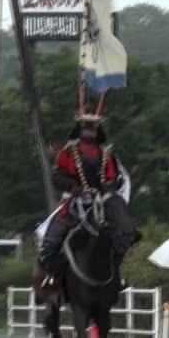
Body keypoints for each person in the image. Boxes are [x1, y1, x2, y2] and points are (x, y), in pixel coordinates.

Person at [39, 112, 136, 287]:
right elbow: (56, 175)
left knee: (123, 234)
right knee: (51, 241)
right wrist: (72, 186)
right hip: (74, 201)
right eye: (86, 129)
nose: (90, 133)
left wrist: (108, 186)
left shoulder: (107, 154)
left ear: (98, 131)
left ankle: (117, 275)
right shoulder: (68, 151)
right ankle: (51, 275)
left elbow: (112, 177)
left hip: (100, 200)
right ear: (80, 130)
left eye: (93, 129)